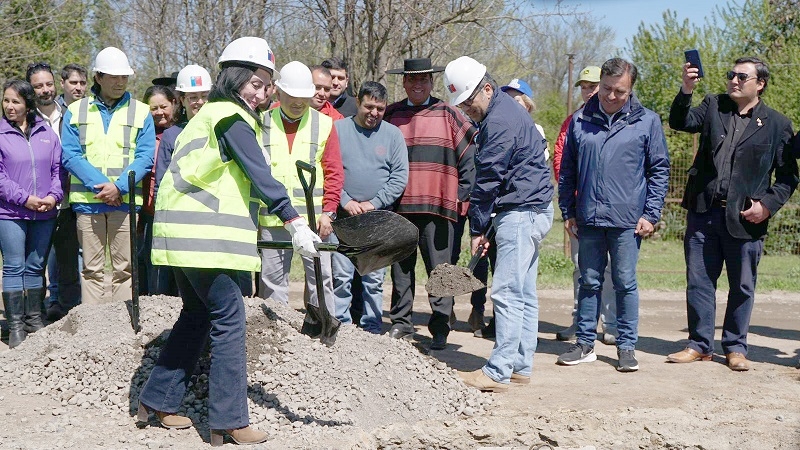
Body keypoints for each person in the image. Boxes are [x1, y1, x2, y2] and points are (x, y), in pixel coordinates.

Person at [137, 36, 320, 446]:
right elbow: (261, 175)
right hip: (202, 239)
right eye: (255, 82)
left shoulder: (211, 117)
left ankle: (157, 401)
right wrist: (294, 222)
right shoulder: (229, 118)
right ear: (234, 78)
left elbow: (236, 184)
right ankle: (228, 421)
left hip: (182, 237)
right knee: (230, 318)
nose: (262, 92)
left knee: (197, 315)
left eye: (266, 84)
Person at [666, 57, 798, 371]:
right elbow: (679, 122)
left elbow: (789, 177)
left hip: (746, 219)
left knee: (742, 286)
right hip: (704, 213)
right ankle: (699, 345)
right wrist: (686, 90)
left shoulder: (778, 124)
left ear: (760, 83)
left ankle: (735, 348)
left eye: (742, 76)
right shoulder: (713, 105)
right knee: (699, 282)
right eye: (731, 75)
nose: (734, 80)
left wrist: (766, 206)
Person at [444, 56, 553, 392]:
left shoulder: (499, 122)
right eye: (460, 105)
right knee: (523, 291)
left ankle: (498, 371)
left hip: (521, 212)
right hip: (531, 208)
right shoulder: (504, 111)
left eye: (469, 102)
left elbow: (489, 179)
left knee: (506, 291)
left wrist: (477, 228)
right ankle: (520, 365)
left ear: (487, 89)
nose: (466, 111)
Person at [556, 58, 670, 372]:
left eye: (620, 91)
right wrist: (568, 211)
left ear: (631, 89)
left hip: (628, 221)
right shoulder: (580, 120)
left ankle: (626, 346)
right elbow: (567, 172)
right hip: (589, 217)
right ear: (600, 83)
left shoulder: (647, 121)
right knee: (589, 281)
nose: (611, 96)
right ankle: (584, 344)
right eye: (606, 88)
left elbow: (659, 170)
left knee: (625, 283)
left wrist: (651, 213)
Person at [383, 57, 477, 350]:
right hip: (399, 207)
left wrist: (462, 196)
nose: (417, 84)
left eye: (423, 79)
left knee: (443, 271)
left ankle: (440, 327)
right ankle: (401, 323)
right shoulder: (391, 114)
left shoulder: (449, 113)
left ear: (431, 82)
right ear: (404, 82)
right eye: (412, 79)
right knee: (401, 270)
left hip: (439, 206)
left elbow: (471, 156)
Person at [60, 47, 155, 305]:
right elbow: (70, 155)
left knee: (124, 269)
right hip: (88, 202)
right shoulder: (76, 111)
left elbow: (145, 157)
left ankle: (121, 327)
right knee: (91, 269)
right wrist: (102, 188)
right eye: (113, 76)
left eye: (124, 76)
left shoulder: (141, 112)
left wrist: (119, 188)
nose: (120, 81)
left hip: (124, 202)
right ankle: (93, 328)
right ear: (99, 77)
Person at [257, 61, 344, 336]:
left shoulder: (324, 124)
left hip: (314, 218)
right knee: (272, 281)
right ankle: (275, 333)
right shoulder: (262, 123)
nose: (298, 103)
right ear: (278, 93)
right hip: (273, 218)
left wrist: (329, 211)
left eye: (302, 98)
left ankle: (323, 328)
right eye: (292, 97)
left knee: (321, 277)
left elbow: (334, 171)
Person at [331, 81, 408, 333]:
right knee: (341, 277)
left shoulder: (393, 135)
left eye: (380, 108)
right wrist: (346, 201)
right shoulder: (338, 129)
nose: (374, 113)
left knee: (373, 279)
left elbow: (399, 177)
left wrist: (373, 203)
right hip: (343, 217)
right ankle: (340, 325)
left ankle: (372, 327)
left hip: (378, 219)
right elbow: (328, 170)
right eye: (369, 106)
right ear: (357, 101)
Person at [552, 65, 617, 345]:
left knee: (611, 269)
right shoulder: (572, 121)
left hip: (613, 209)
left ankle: (612, 324)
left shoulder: (620, 118)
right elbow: (560, 159)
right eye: (585, 86)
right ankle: (581, 322)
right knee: (581, 267)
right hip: (581, 208)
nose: (589, 91)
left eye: (594, 86)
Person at [0, 79, 62, 348]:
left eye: (15, 101)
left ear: (28, 104)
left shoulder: (47, 132)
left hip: (45, 212)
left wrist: (53, 196)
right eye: (6, 101)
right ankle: (15, 326)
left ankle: (34, 319)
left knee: (36, 266)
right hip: (10, 212)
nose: (9, 106)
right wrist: (25, 199)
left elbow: (58, 170)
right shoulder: (1, 134)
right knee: (14, 266)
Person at [152, 64, 213, 296]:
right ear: (181, 100)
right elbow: (162, 183)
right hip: (182, 224)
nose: (198, 102)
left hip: (212, 221)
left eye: (204, 96)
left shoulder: (221, 129)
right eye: (193, 97)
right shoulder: (171, 135)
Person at [45, 64, 87, 321]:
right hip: (54, 191)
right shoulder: (53, 112)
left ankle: (75, 303)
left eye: (82, 83)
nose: (78, 87)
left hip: (80, 190)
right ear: (63, 84)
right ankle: (55, 299)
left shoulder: (89, 110)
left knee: (76, 251)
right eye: (73, 82)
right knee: (53, 251)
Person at [139, 85, 177, 295]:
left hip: (176, 209)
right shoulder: (142, 135)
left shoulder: (183, 131)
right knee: (148, 261)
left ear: (174, 103)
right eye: (153, 108)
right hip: (147, 211)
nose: (159, 112)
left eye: (163, 106)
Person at [499, 78, 550, 160]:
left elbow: (542, 159)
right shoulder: (498, 129)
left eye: (516, 101)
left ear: (527, 106)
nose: (510, 104)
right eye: (507, 100)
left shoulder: (536, 130)